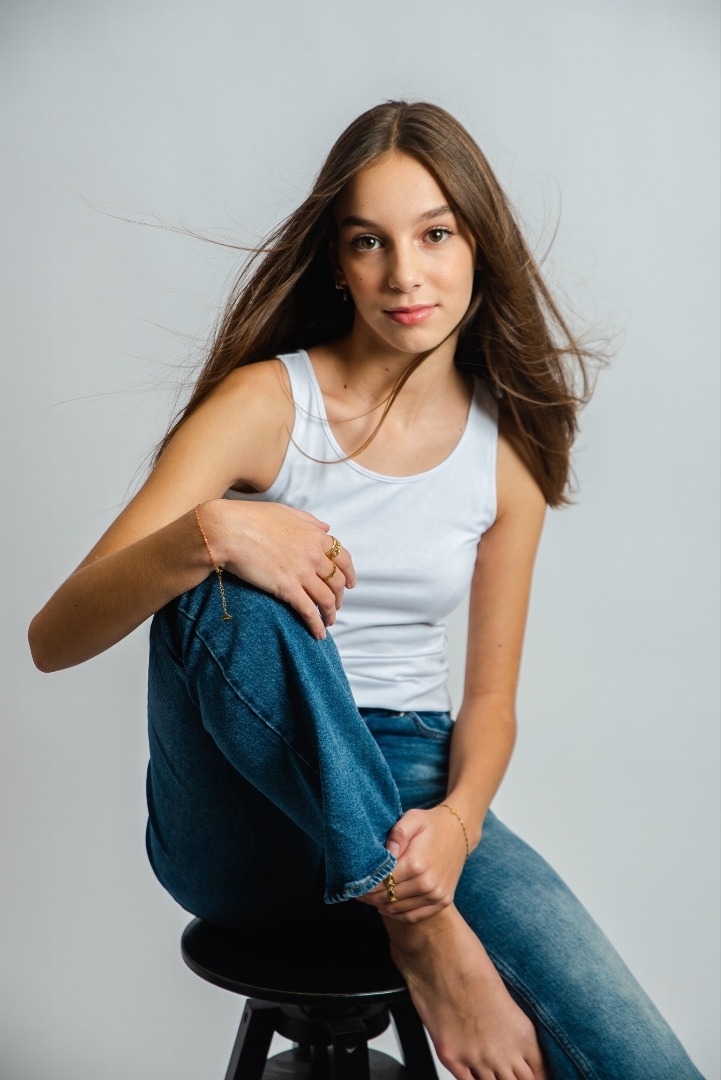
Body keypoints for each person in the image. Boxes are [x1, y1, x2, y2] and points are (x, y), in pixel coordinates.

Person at [29, 101, 703, 1080]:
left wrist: (457, 825)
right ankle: (414, 923)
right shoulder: (267, 404)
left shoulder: (502, 452)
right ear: (337, 265)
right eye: (367, 241)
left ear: (478, 246)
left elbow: (489, 703)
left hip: (407, 781)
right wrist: (214, 531)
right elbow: (52, 638)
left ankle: (399, 881)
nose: (404, 274)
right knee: (226, 591)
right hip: (243, 819)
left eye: (434, 234)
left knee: (642, 1061)